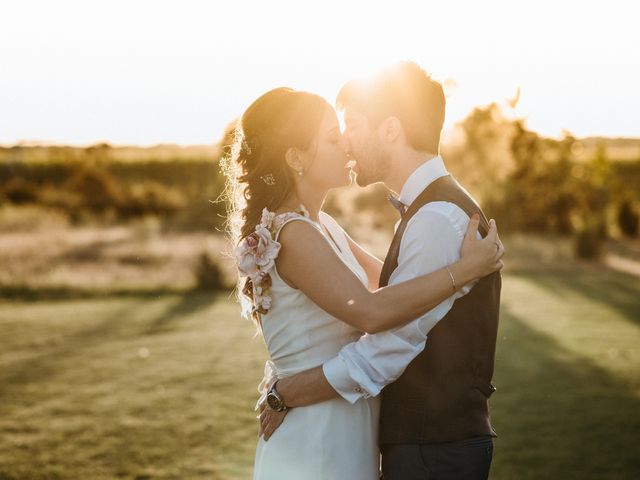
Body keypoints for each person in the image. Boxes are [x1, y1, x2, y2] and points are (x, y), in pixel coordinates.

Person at [224, 84, 504, 479]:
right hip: (320, 428)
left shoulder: (324, 227)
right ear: (296, 158)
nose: (347, 146)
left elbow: (389, 282)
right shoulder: (295, 234)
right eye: (334, 137)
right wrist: (463, 272)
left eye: (347, 130)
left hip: (349, 419)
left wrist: (459, 268)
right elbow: (372, 310)